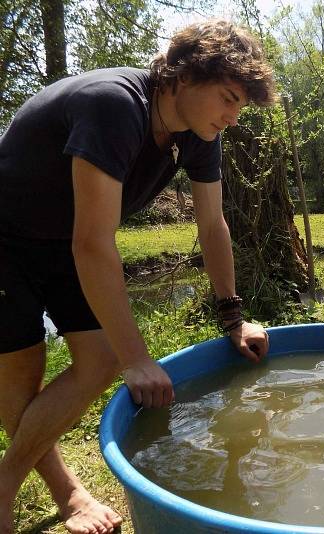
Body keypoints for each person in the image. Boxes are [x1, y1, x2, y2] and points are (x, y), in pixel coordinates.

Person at [0, 20, 274, 534]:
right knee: (21, 374)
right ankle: (62, 493)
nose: (233, 117)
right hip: (5, 236)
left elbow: (212, 226)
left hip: (61, 240)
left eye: (241, 107)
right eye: (229, 98)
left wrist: (232, 317)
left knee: (99, 360)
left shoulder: (197, 135)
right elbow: (93, 242)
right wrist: (137, 357)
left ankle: (5, 481)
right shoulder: (113, 105)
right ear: (187, 75)